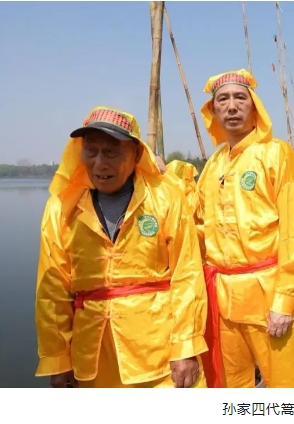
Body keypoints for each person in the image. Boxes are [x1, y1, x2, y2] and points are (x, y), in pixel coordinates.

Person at [34, 106, 208, 388]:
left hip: (158, 352)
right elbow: (52, 290)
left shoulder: (165, 199)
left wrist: (185, 347)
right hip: (91, 354)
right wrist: (58, 358)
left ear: (137, 155)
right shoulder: (62, 207)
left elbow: (187, 276)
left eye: (111, 152)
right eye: (91, 151)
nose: (100, 163)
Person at [196, 69, 294, 388]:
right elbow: (198, 226)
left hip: (270, 296)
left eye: (240, 98)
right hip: (224, 300)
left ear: (254, 106)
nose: (232, 106)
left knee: (289, 391)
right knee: (233, 390)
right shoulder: (213, 164)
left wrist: (285, 300)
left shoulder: (276, 153)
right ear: (213, 110)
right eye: (223, 100)